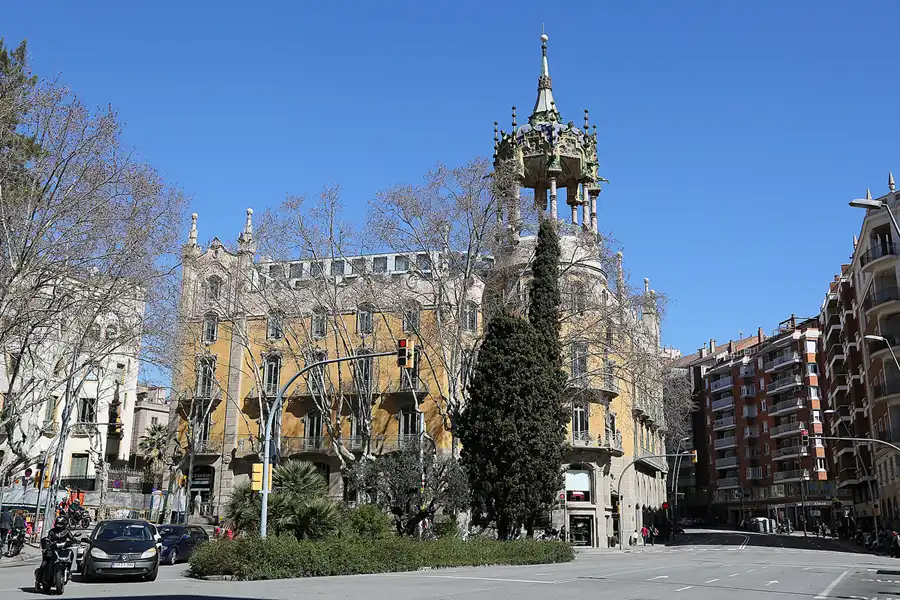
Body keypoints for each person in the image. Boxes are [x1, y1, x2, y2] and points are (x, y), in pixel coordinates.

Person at [36, 514, 76, 585]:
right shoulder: (52, 531)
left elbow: (72, 538)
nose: (59, 525)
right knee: (44, 564)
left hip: (63, 549)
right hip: (52, 550)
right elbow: (48, 539)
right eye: (58, 523)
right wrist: (47, 543)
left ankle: (68, 571)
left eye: (60, 524)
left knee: (70, 553)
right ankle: (39, 579)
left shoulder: (66, 531)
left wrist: (75, 541)